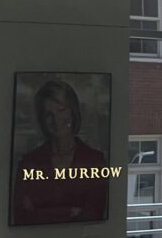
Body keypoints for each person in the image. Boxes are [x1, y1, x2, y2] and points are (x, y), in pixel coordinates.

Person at [12, 79, 112, 224]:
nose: (56, 120)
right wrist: (69, 211)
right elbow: (22, 217)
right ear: (42, 119)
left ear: (73, 112)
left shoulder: (94, 160)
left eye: (61, 110)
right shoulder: (29, 162)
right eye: (48, 114)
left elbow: (94, 214)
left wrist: (41, 212)